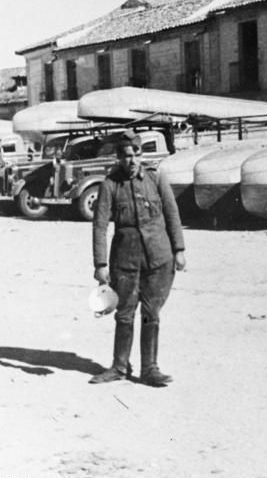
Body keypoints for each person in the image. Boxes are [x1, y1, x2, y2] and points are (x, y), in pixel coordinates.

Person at [90, 130, 186, 386]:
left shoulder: (156, 179)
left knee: (151, 312)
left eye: (136, 155)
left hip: (159, 258)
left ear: (142, 155)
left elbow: (172, 214)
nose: (131, 161)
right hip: (125, 261)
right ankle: (119, 366)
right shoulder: (110, 185)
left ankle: (149, 368)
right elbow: (99, 226)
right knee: (124, 313)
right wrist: (100, 264)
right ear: (118, 158)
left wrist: (179, 250)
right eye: (125, 156)